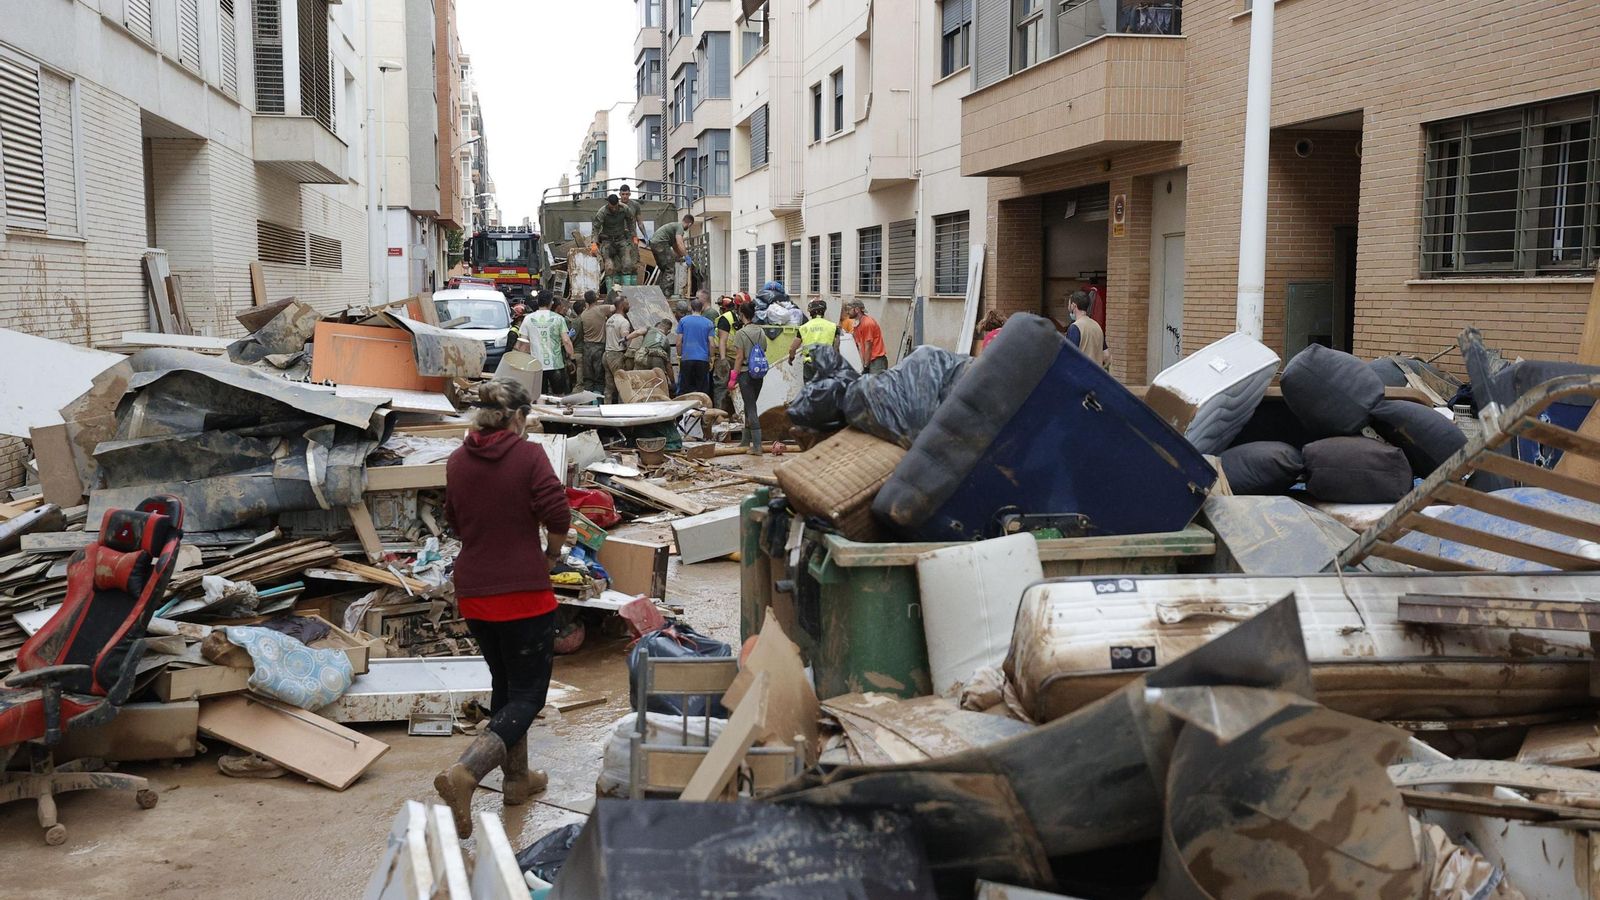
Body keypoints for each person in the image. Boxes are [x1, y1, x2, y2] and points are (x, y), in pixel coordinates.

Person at [435, 378, 571, 838]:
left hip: (474, 591)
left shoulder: (457, 460)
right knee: (530, 695)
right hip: (522, 591)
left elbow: (453, 520)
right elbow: (558, 514)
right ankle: (466, 773)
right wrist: (551, 554)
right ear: (516, 417)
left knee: (505, 684)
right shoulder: (528, 455)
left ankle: (517, 780)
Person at [732, 301, 769, 455]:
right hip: (758, 374)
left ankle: (757, 446)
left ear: (741, 315)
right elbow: (764, 348)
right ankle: (746, 441)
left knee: (751, 408)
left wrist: (733, 376)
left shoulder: (741, 333)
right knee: (749, 405)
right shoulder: (760, 331)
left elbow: (739, 357)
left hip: (745, 374)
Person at [526, 291, 575, 396]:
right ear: (551, 303)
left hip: (537, 365)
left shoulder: (528, 319)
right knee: (560, 396)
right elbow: (566, 341)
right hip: (556, 365)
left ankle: (541, 411)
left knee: (539, 396)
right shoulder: (558, 319)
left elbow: (523, 343)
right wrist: (571, 357)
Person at [604, 296, 645, 404]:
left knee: (609, 386)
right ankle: (622, 409)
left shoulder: (610, 320)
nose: (629, 306)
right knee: (623, 385)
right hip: (617, 356)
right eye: (627, 304)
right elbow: (625, 340)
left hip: (607, 354)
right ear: (622, 306)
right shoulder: (623, 322)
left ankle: (606, 407)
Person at [590, 194, 638, 284]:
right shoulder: (602, 212)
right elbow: (596, 228)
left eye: (615, 206)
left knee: (627, 264)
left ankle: (626, 293)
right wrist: (594, 243)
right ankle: (611, 294)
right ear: (608, 204)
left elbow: (631, 221)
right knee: (609, 267)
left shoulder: (625, 208)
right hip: (607, 241)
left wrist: (634, 236)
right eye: (612, 207)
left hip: (621, 239)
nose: (614, 209)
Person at [788, 299, 839, 382]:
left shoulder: (804, 328)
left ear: (810, 312)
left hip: (810, 364)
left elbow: (792, 348)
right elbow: (836, 347)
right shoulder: (833, 327)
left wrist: (791, 358)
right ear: (824, 311)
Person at [676, 295, 715, 397]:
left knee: (685, 389)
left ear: (690, 308)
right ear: (702, 308)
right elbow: (711, 343)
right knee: (702, 390)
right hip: (703, 360)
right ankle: (702, 410)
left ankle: (685, 411)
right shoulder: (709, 323)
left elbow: (679, 342)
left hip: (687, 358)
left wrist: (680, 356)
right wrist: (712, 357)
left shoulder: (683, 321)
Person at [650, 213, 694, 298]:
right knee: (670, 268)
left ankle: (659, 292)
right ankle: (665, 294)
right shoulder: (680, 227)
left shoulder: (674, 227)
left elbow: (675, 247)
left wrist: (681, 256)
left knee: (664, 269)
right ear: (689, 224)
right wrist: (687, 256)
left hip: (654, 244)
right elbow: (680, 243)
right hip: (661, 243)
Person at [1066, 291, 1111, 369]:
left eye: (1069, 304)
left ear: (1074, 306)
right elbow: (1106, 355)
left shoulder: (1075, 327)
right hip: (1096, 375)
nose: (1068, 307)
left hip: (1080, 376)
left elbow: (1069, 356)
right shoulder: (1097, 326)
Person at [577, 290, 611, 393]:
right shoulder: (601, 309)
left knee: (588, 377)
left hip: (587, 348)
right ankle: (598, 401)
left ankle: (588, 401)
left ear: (586, 301)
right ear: (596, 299)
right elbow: (616, 307)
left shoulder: (583, 315)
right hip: (599, 348)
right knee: (599, 377)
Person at [846, 300, 888, 374]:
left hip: (877, 361)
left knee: (875, 385)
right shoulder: (857, 324)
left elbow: (868, 346)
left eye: (849, 309)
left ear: (857, 310)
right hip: (869, 361)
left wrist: (866, 366)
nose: (847, 312)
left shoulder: (867, 323)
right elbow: (860, 346)